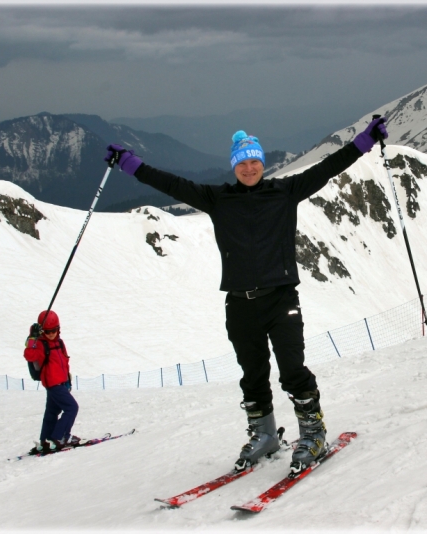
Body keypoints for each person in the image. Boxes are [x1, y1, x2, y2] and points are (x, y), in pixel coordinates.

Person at [104, 117, 388, 473]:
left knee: (292, 370)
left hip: (280, 300)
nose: (249, 168)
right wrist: (130, 164)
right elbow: (172, 184)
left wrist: (365, 140)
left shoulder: (285, 191)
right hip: (239, 304)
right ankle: (264, 434)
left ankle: (312, 432)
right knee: (252, 375)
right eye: (242, 162)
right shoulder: (217, 199)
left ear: (262, 164)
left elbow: (328, 167)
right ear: (234, 166)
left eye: (254, 161)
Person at [23, 310, 80, 453]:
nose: (51, 334)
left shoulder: (60, 343)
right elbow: (29, 355)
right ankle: (60, 436)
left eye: (54, 330)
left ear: (58, 328)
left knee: (51, 412)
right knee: (72, 408)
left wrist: (67, 380)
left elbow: (65, 361)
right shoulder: (41, 344)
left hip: (61, 382)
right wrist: (32, 337)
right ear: (42, 331)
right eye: (47, 331)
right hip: (52, 384)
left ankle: (45, 440)